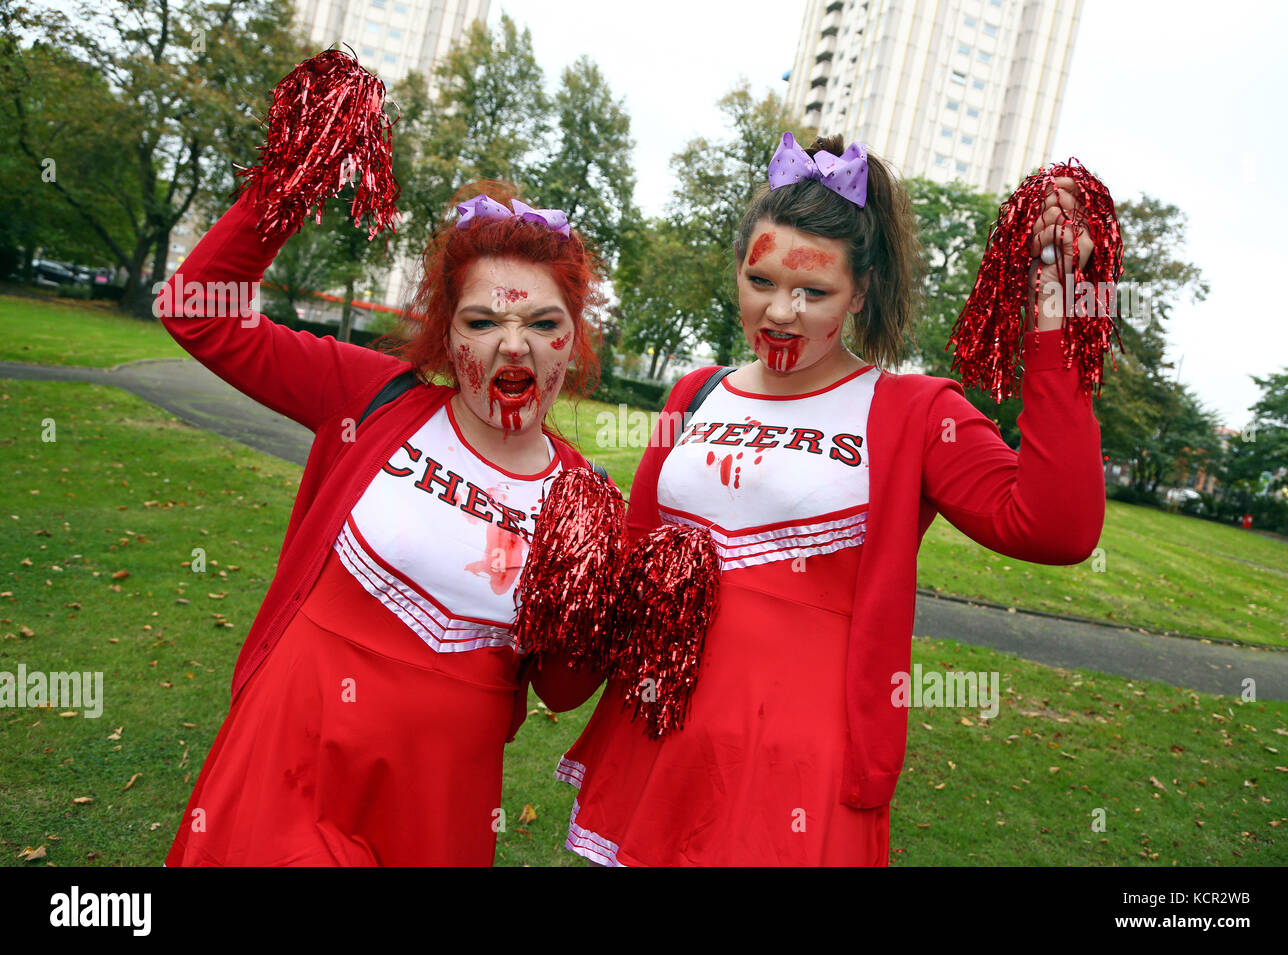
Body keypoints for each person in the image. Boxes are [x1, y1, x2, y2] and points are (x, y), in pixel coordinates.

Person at [555, 133, 1107, 866]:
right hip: (654, 729)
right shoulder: (696, 392)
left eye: (814, 292)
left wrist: (1054, 317)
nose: (781, 312)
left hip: (794, 765)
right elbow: (632, 555)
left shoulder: (911, 411)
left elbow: (1057, 528)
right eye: (762, 281)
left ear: (862, 293)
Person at [159, 181, 607, 866]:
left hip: (438, 801)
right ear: (445, 329)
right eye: (482, 322)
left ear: (571, 341)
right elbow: (198, 314)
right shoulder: (372, 398)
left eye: (543, 325)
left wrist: (610, 594)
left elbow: (563, 689)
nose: (513, 348)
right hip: (292, 758)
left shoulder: (584, 496)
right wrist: (281, 188)